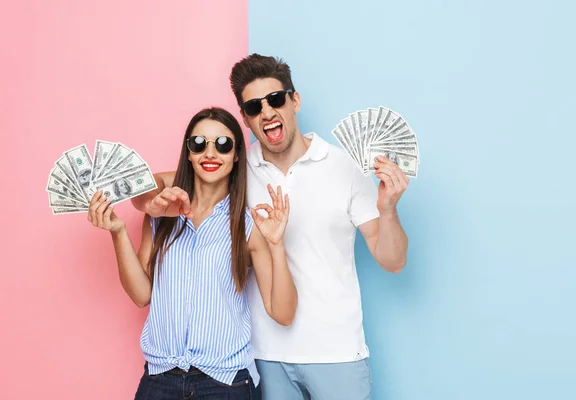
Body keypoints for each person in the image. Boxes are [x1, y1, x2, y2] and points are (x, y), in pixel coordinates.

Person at [134, 54, 410, 400]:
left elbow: (393, 260)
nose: (266, 112)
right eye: (253, 107)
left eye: (276, 99)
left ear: (294, 101)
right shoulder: (233, 168)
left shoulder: (343, 167)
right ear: (245, 120)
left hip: (336, 352)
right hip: (264, 358)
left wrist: (388, 209)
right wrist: (147, 206)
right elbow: (149, 186)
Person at [90, 107, 297, 399]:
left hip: (225, 383)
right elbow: (141, 295)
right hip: (160, 380)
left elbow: (283, 312)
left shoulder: (248, 226)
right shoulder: (161, 214)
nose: (210, 153)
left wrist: (276, 245)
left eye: (223, 145)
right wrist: (118, 232)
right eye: (199, 144)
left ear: (237, 155)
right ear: (188, 152)